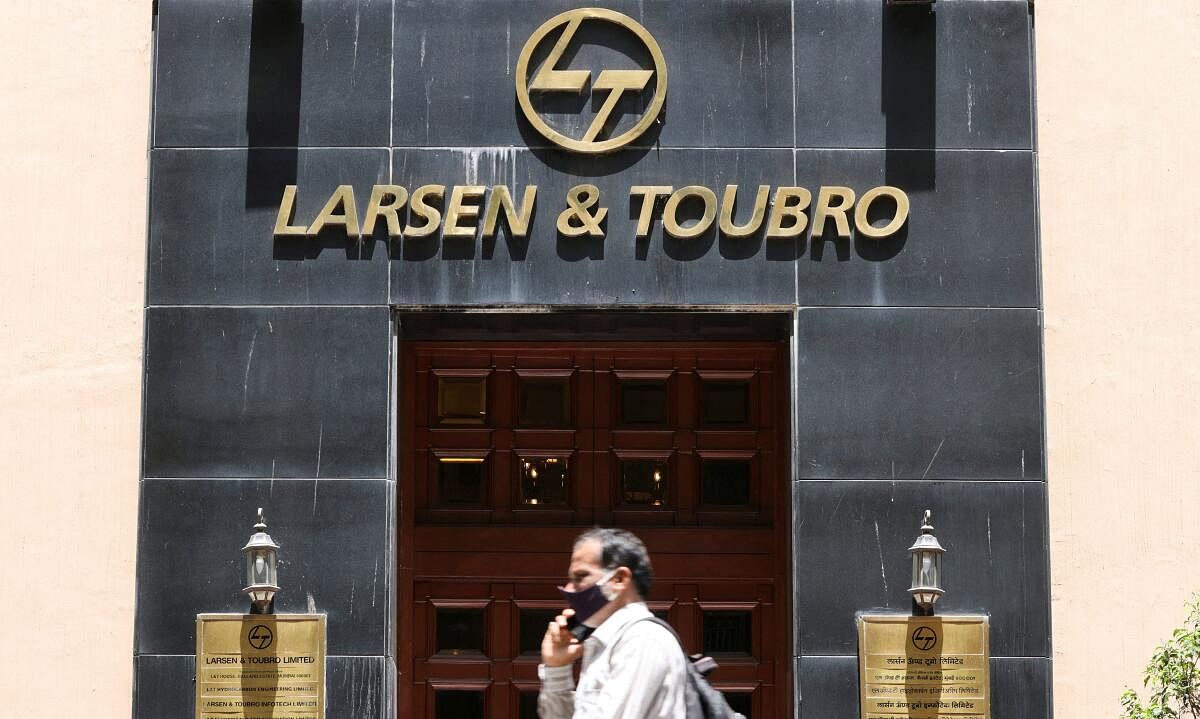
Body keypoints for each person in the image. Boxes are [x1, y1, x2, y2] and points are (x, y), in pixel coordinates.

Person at [538, 528, 688, 718]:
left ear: (619, 579)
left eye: (581, 576)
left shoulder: (641, 640)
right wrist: (557, 667)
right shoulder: (605, 642)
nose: (569, 589)